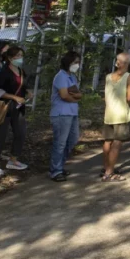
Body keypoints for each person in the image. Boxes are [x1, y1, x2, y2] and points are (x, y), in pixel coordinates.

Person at [0, 45, 32, 177]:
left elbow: (23, 85)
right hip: (5, 107)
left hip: (19, 108)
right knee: (0, 135)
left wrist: (27, 92)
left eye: (21, 56)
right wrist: (13, 96)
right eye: (17, 56)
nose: (20, 59)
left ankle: (14, 159)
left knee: (20, 133)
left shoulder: (21, 71)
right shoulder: (3, 73)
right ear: (9, 58)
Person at [50, 51, 83, 182]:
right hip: (61, 113)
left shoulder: (72, 77)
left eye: (78, 62)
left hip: (72, 112)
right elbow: (64, 95)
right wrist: (74, 98)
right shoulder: (61, 76)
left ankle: (59, 165)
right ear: (68, 62)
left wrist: (74, 96)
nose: (77, 65)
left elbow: (78, 94)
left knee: (72, 139)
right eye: (75, 62)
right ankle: (55, 170)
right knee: (60, 142)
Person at [102, 51, 130, 182]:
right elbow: (129, 97)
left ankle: (106, 168)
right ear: (127, 63)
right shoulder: (129, 77)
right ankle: (109, 172)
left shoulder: (108, 76)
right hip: (121, 113)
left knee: (107, 141)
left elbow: (105, 96)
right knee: (117, 142)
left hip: (108, 113)